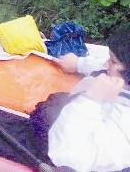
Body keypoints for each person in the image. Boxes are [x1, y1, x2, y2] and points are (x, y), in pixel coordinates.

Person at [45, 25, 130, 171]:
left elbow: (67, 157)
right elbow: (101, 65)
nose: (105, 64)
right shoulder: (120, 77)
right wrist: (78, 63)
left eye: (113, 61)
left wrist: (92, 99)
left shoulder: (123, 126)